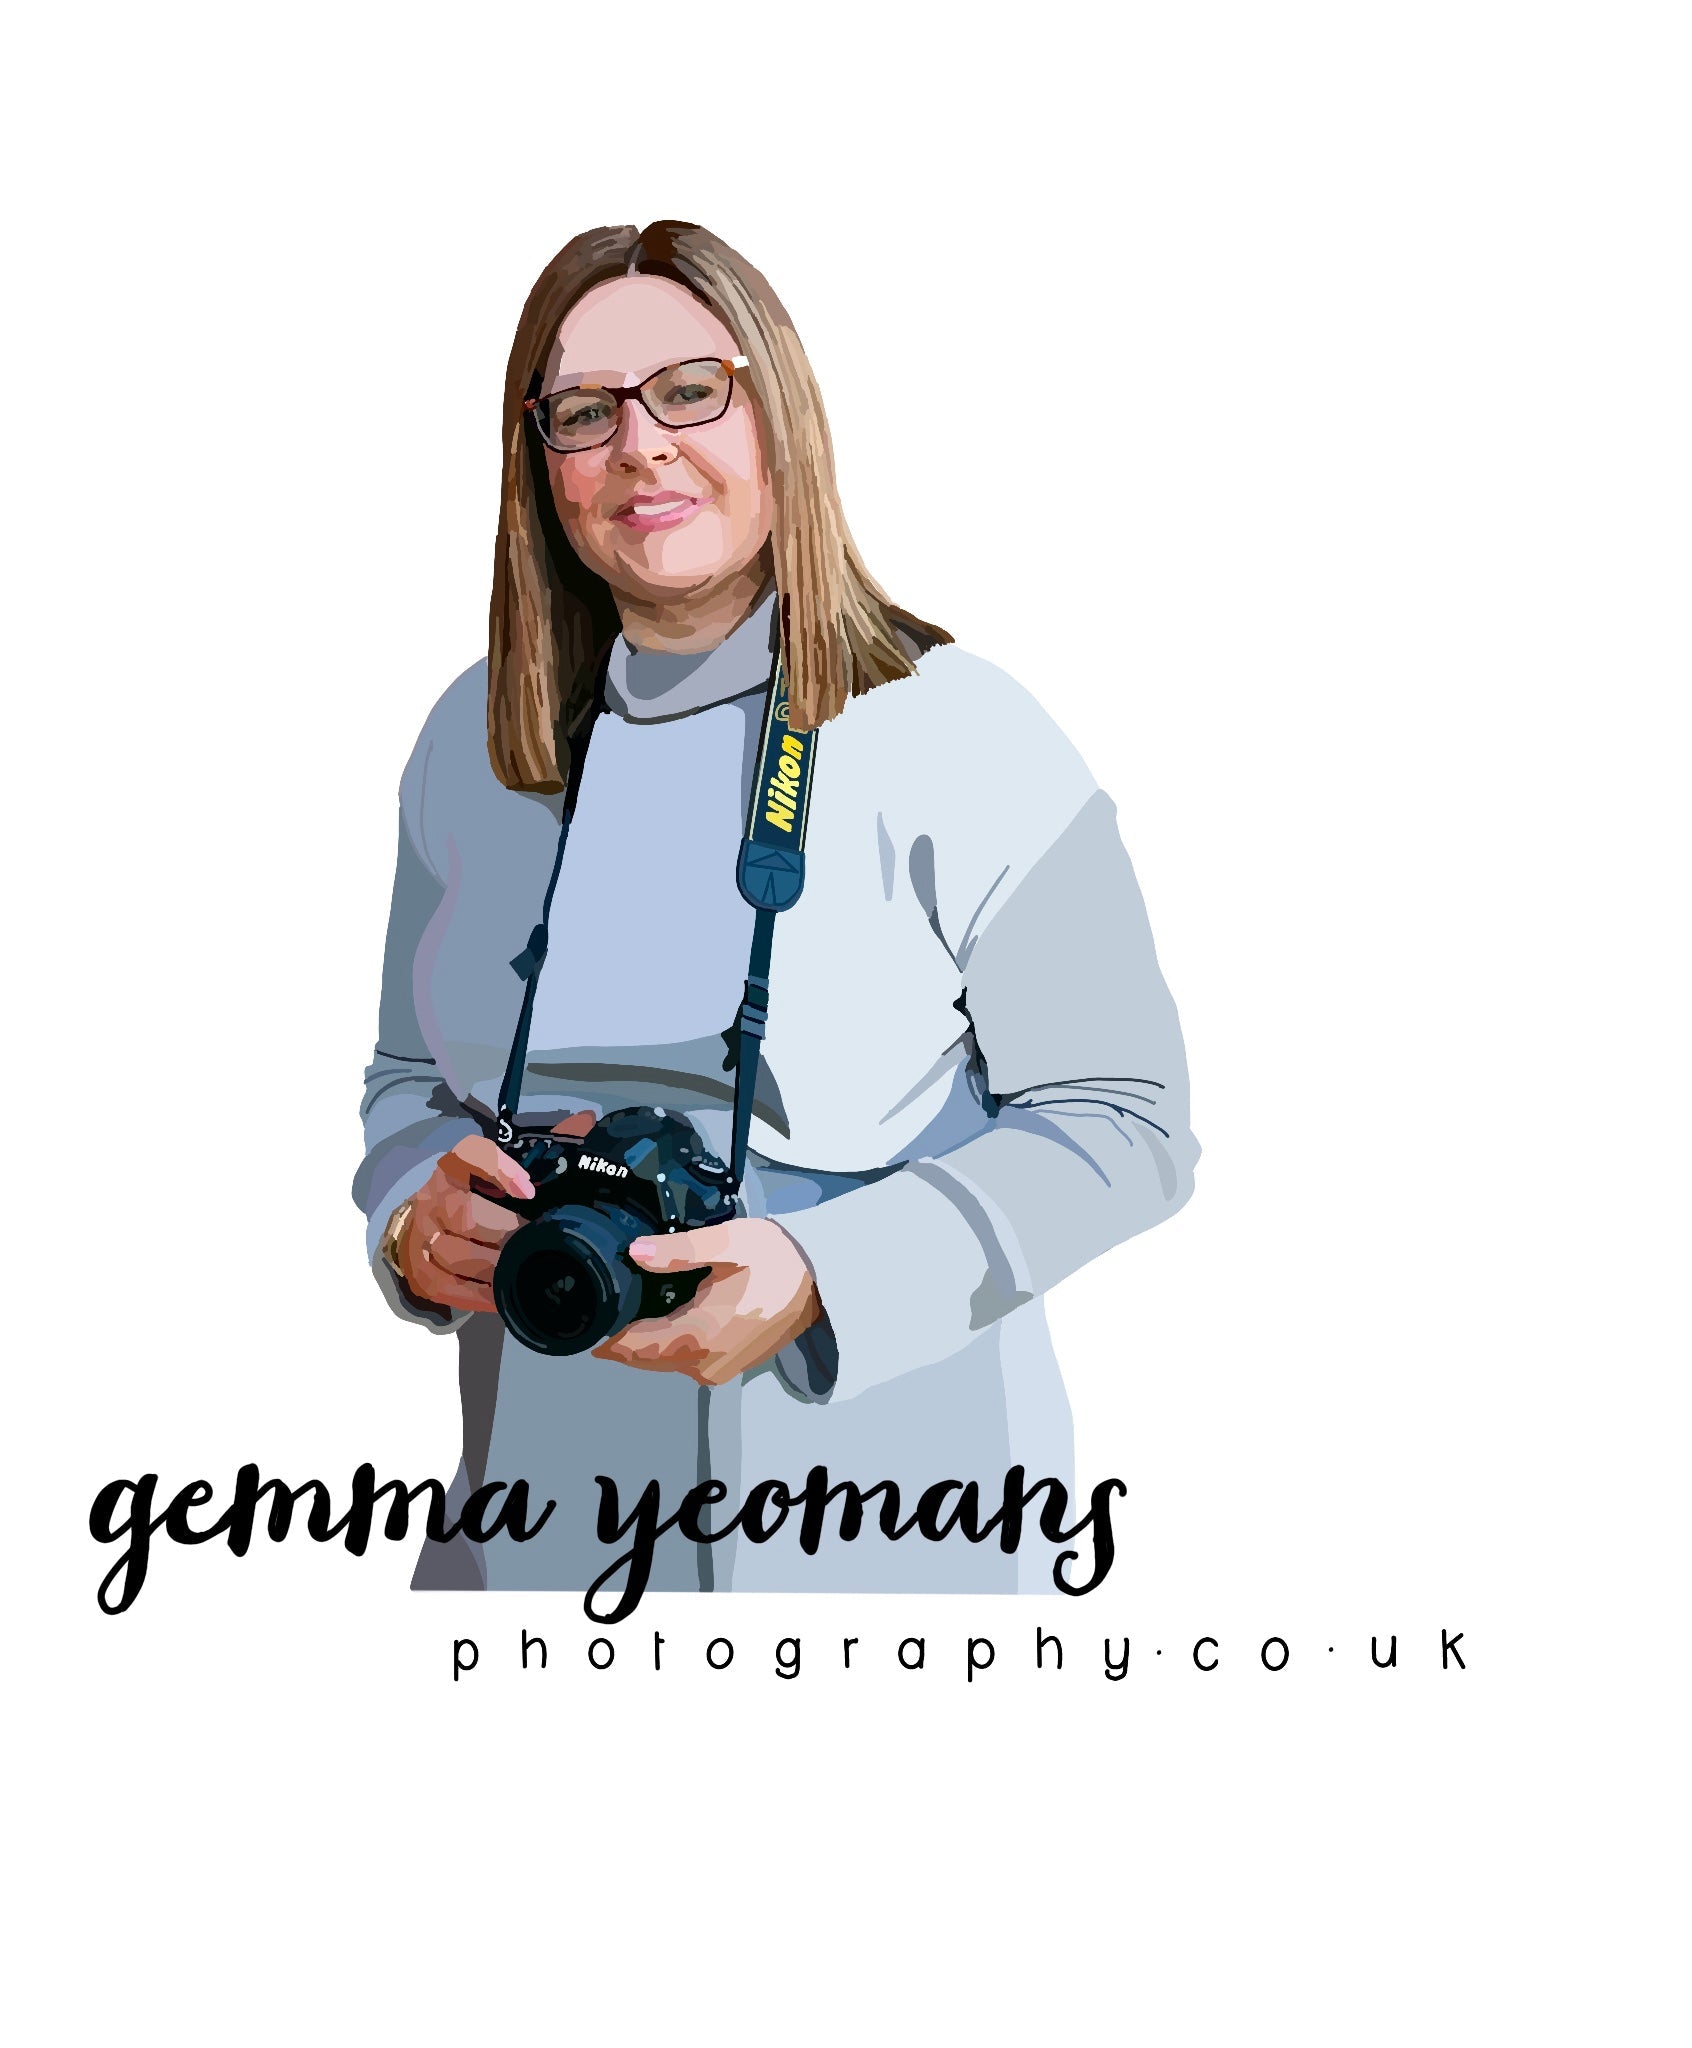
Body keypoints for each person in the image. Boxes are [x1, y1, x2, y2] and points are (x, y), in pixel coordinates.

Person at [354, 220, 1198, 1599]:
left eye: (691, 390)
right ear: (537, 460)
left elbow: (1129, 1122)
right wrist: (410, 1215)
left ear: (779, 411)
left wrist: (823, 1274)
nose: (642, 448)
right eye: (583, 412)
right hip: (539, 1548)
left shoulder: (964, 734)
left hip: (884, 1547)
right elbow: (406, 1079)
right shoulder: (473, 745)